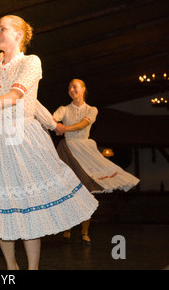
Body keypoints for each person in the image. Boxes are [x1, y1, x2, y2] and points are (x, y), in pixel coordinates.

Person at [0, 15, 98, 270]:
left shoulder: (31, 62)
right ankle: (11, 267)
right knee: (2, 205)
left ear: (19, 34)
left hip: (26, 136)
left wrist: (52, 124)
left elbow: (17, 96)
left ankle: (32, 268)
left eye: (2, 29)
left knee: (29, 206)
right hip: (0, 140)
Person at [52, 78, 140, 245]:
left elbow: (83, 124)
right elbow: (52, 119)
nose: (72, 89)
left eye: (75, 87)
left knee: (87, 188)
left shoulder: (92, 110)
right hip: (68, 149)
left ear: (83, 89)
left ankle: (84, 231)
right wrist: (55, 125)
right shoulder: (63, 109)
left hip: (84, 150)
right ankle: (67, 227)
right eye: (69, 87)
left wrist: (64, 128)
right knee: (68, 189)